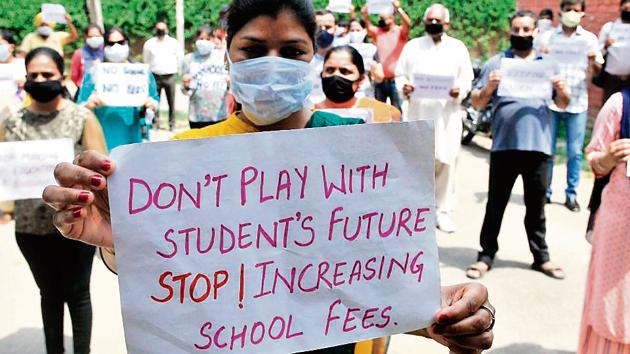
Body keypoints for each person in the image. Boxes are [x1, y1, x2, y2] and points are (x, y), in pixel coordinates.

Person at [42, 1, 495, 353]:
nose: (272, 63)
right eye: (254, 50)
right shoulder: (180, 163)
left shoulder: (363, 152)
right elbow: (170, 277)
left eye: (292, 51)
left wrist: (441, 312)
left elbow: (370, 280)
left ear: (312, 58)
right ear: (228, 58)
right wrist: (116, 240)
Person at [0, 47, 107, 354]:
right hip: (31, 228)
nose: (40, 79)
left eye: (47, 74)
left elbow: (101, 169)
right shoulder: (12, 122)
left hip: (78, 225)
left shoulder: (81, 118)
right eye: (33, 74)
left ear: (62, 76)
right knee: (48, 293)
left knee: (77, 293)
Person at [466, 10, 571, 280]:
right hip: (504, 145)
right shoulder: (497, 63)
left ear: (536, 32)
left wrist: (562, 90)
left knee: (536, 208)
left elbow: (563, 104)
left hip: (539, 147)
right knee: (496, 204)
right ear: (510, 31)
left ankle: (541, 257)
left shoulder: (548, 65)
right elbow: (476, 101)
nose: (521, 34)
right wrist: (489, 87)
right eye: (517, 29)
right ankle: (486, 255)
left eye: (527, 30)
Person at [396, 4, 474, 234]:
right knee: (417, 162)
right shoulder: (413, 47)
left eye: (437, 20)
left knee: (446, 162)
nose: (432, 23)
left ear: (447, 24)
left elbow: (466, 78)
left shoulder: (458, 48)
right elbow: (400, 74)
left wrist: (458, 91)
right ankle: (416, 210)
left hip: (447, 115)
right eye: (429, 19)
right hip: (418, 113)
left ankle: (442, 211)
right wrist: (405, 87)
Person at [538, 0, 604, 212]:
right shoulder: (548, 37)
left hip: (578, 102)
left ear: (583, 13)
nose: (572, 14)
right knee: (546, 150)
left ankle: (571, 194)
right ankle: (545, 192)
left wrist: (593, 61)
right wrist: (544, 55)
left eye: (576, 11)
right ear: (561, 11)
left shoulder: (589, 40)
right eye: (568, 10)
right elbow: (536, 63)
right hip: (552, 100)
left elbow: (596, 72)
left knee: (575, 152)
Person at [578, 89, 630, 354]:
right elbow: (596, 161)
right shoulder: (620, 104)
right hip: (621, 222)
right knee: (613, 303)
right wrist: (610, 158)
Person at [78, 27, 159, 151]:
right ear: (104, 47)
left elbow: (155, 99)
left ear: (127, 43)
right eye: (110, 43)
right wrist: (88, 104)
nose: (116, 47)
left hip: (133, 133)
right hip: (103, 134)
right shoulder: (94, 73)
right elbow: (79, 107)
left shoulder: (142, 73)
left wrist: (151, 104)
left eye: (120, 42)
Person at [315, 45, 400, 123]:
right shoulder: (308, 116)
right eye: (330, 70)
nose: (336, 75)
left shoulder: (383, 114)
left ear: (361, 79)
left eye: (345, 71)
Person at [361, 0, 411, 111]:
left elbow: (407, 24)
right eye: (379, 18)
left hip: (396, 80)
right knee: (380, 112)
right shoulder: (378, 32)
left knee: (397, 111)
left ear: (392, 18)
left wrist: (398, 9)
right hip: (380, 80)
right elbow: (369, 28)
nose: (380, 20)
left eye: (383, 18)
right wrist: (365, 14)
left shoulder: (399, 32)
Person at [182, 25, 230, 129]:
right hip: (197, 114)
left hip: (219, 112)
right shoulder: (189, 59)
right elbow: (185, 91)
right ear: (196, 39)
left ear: (213, 39)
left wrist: (229, 83)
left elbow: (230, 86)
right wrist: (186, 85)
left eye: (208, 39)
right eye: (201, 39)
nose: (204, 41)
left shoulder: (222, 57)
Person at [0, 30, 26, 224]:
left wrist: (25, 83)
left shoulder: (21, 66)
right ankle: (6, 207)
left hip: (18, 120)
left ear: (11, 46)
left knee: (18, 162)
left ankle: (22, 203)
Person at [142, 20, 181, 131]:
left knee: (171, 102)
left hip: (170, 76)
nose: (161, 31)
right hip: (155, 76)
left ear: (167, 30)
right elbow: (146, 60)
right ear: (155, 30)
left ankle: (172, 124)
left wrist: (178, 70)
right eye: (158, 29)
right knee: (154, 101)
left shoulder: (173, 43)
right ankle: (155, 123)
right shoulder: (149, 44)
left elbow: (179, 58)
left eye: (162, 29)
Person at [597, 0, 630, 103]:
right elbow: (598, 53)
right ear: (620, 8)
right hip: (612, 81)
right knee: (609, 112)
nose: (628, 11)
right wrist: (606, 46)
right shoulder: (609, 27)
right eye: (626, 9)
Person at [348, 19, 385, 99]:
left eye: (358, 30)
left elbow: (380, 76)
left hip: (367, 91)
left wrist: (374, 70)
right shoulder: (343, 49)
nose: (355, 33)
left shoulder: (372, 49)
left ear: (364, 31)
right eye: (352, 30)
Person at [70, 24, 105, 91]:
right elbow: (74, 77)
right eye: (90, 36)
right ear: (86, 37)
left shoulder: (107, 52)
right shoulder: (79, 53)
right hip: (84, 91)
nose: (94, 38)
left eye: (97, 36)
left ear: (102, 36)